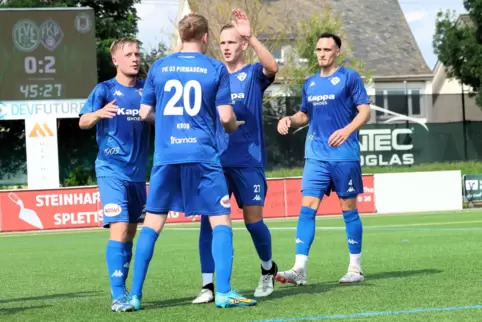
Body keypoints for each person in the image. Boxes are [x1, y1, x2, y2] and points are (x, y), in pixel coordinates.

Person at [118, 13, 257, 311]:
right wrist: (233, 126)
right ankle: (223, 291)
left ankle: (135, 296)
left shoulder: (159, 67)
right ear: (206, 38)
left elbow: (144, 114)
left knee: (153, 223)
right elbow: (224, 117)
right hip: (203, 157)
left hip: (167, 156)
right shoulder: (215, 68)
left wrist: (168, 121)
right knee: (220, 219)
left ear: (181, 36)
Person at [192, 9, 279, 304]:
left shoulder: (253, 73)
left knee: (253, 222)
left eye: (232, 41)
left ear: (241, 45)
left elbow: (272, 67)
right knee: (210, 224)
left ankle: (268, 270)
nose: (227, 46)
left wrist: (251, 36)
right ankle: (208, 285)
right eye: (223, 42)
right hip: (215, 162)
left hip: (248, 161)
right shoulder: (213, 75)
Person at [275, 32, 371, 286]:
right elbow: (304, 115)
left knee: (348, 210)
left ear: (337, 51)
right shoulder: (310, 83)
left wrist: (347, 130)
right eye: (318, 50)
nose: (321, 54)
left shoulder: (349, 77)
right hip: (316, 155)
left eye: (327, 49)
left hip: (344, 155)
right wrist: (289, 119)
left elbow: (365, 112)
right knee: (306, 208)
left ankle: (355, 267)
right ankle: (299, 269)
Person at [78, 38, 150, 312]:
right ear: (116, 61)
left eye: (137, 54)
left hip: (136, 175)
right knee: (119, 229)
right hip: (111, 169)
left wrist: (152, 116)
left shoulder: (146, 89)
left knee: (130, 232)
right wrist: (98, 113)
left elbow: (159, 116)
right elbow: (83, 121)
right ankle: (118, 295)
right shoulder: (104, 89)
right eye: (129, 54)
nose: (134, 58)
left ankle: (125, 289)